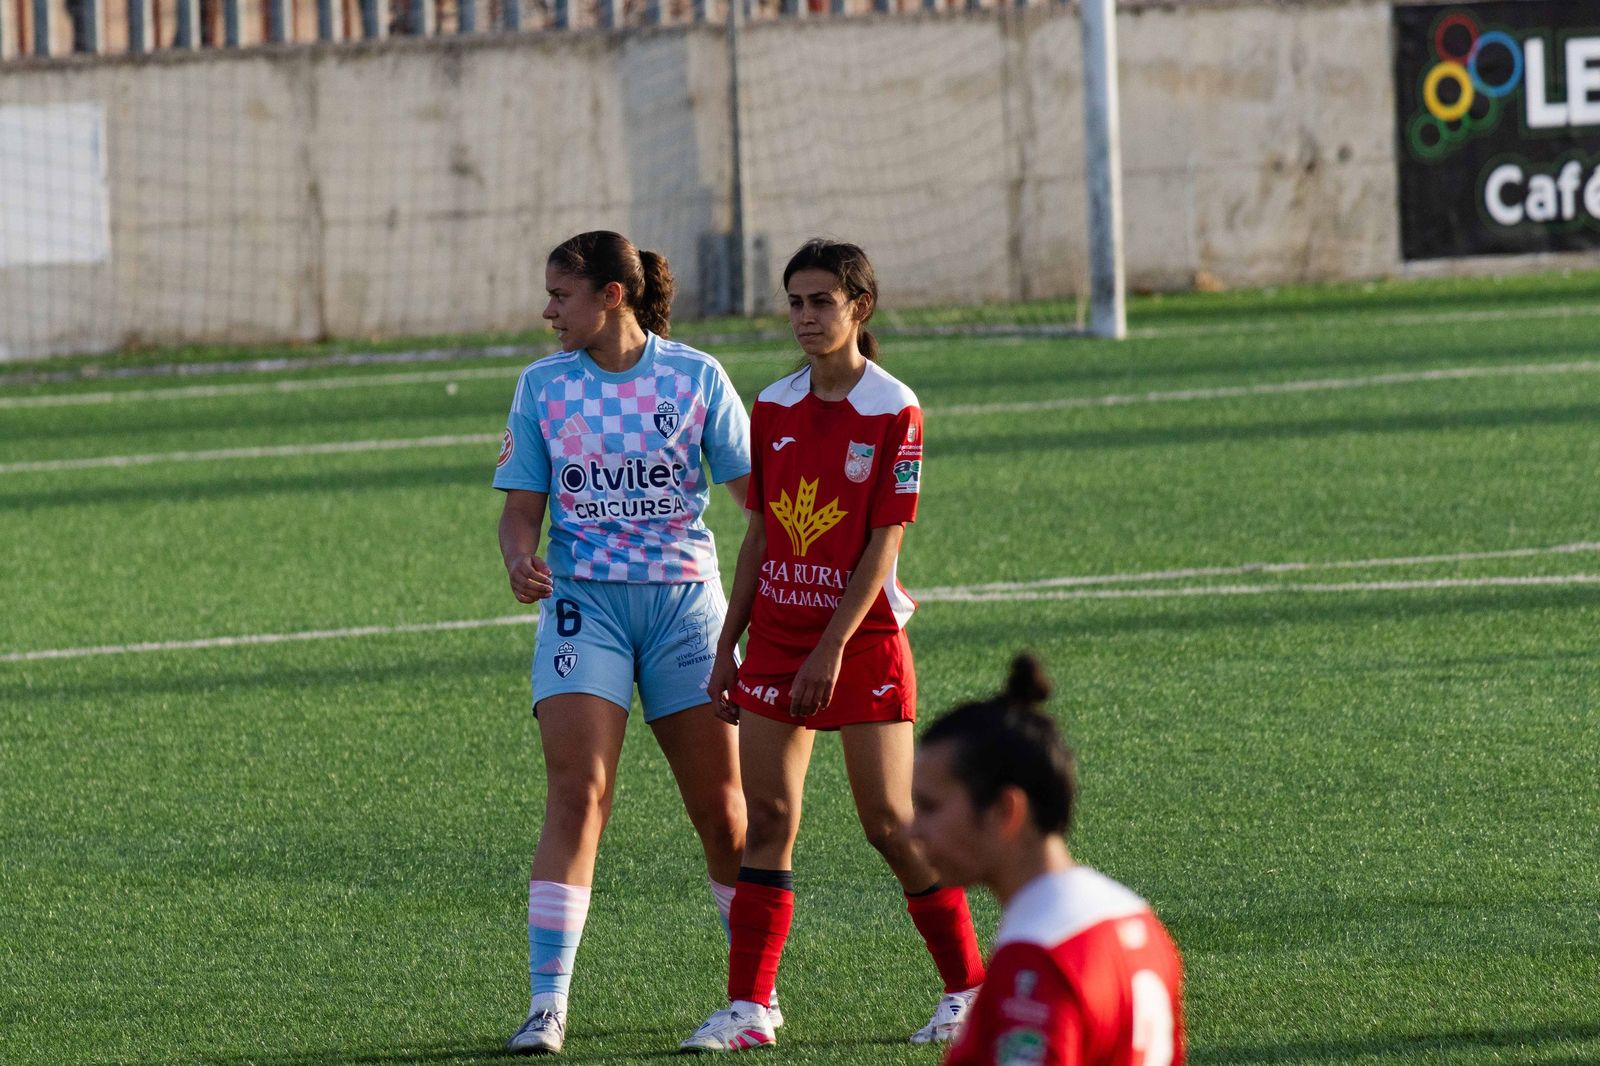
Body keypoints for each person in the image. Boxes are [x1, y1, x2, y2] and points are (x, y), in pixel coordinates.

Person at [680, 239, 985, 1053]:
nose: (807, 318)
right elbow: (757, 538)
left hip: (860, 645)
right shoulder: (773, 406)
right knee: (769, 816)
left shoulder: (895, 407)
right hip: (775, 641)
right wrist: (727, 646)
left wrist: (831, 651)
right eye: (796, 303)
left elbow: (884, 546)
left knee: (888, 823)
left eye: (822, 301)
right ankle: (749, 1008)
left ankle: (969, 991)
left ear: (860, 307)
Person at [495, 231, 753, 1055]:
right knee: (581, 792)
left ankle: (753, 994)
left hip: (685, 609)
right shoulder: (543, 387)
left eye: (560, 296)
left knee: (722, 811)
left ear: (612, 295)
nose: (547, 312)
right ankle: (546, 1006)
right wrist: (516, 559)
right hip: (584, 610)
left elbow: (759, 500)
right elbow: (519, 512)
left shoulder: (697, 378)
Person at [911, 655, 1186, 1066]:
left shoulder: (1038, 962)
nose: (913, 830)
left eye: (930, 807)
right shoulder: (1134, 919)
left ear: (1005, 811)